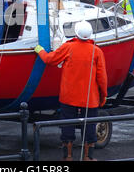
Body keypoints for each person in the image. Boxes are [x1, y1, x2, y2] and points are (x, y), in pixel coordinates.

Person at [34, 20, 108, 161]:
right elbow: (102, 78)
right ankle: (88, 157)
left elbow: (50, 60)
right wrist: (103, 95)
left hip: (69, 96)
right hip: (89, 98)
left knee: (67, 125)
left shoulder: (68, 48)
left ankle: (67, 156)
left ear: (76, 33)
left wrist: (40, 50)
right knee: (90, 126)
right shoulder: (96, 51)